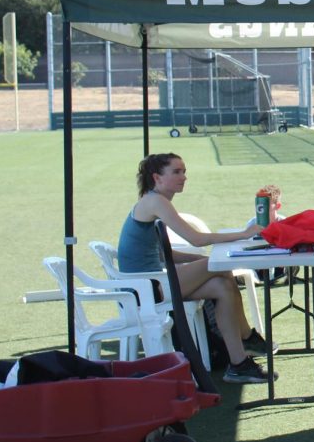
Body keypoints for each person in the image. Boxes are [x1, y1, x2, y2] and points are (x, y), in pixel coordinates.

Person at [117, 152, 274, 384]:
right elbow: (196, 239)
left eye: (184, 171)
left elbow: (160, 254)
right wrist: (244, 234)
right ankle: (247, 337)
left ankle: (239, 363)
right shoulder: (155, 201)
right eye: (176, 172)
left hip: (151, 282)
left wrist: (195, 259)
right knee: (220, 268)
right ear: (157, 178)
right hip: (146, 288)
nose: (184, 177)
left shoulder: (155, 201)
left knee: (222, 286)